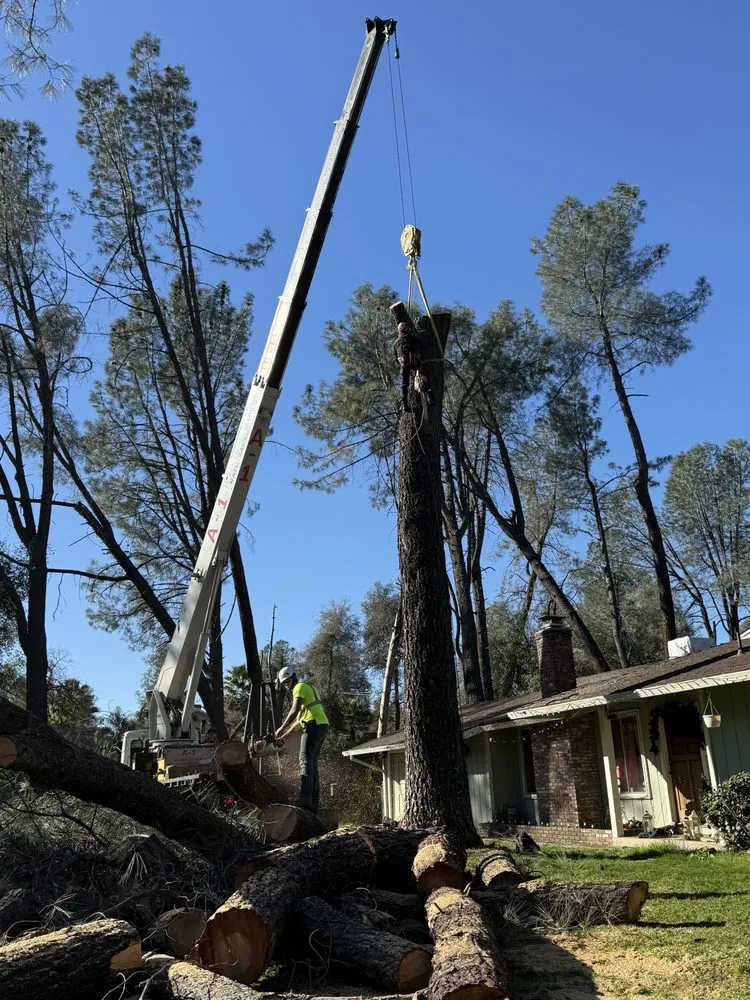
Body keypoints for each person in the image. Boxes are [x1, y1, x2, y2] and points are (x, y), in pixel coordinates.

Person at [274, 666, 329, 814]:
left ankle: (305, 801)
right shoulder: (308, 690)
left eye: (287, 682)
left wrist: (280, 728)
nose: (287, 685)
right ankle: (314, 801)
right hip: (321, 725)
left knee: (304, 759)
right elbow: (298, 722)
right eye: (284, 684)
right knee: (311, 762)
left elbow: (294, 710)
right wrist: (283, 737)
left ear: (293, 677)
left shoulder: (299, 687)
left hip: (313, 725)